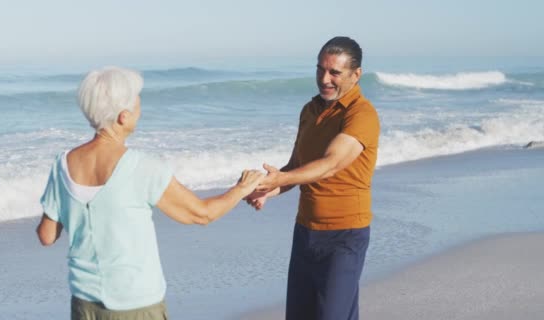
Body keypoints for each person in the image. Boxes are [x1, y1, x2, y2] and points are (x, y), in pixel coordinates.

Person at [36, 67, 264, 320]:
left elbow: (46, 235)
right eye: (137, 101)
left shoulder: (63, 164)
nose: (141, 107)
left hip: (84, 303)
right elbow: (201, 214)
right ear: (123, 116)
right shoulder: (142, 166)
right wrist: (242, 188)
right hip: (135, 304)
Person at [246, 36, 380, 320]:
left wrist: (279, 180)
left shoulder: (362, 115)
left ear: (356, 75)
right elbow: (297, 165)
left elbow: (331, 163)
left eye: (334, 72)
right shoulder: (310, 110)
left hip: (345, 235)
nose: (324, 79)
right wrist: (269, 190)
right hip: (306, 232)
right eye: (320, 69)